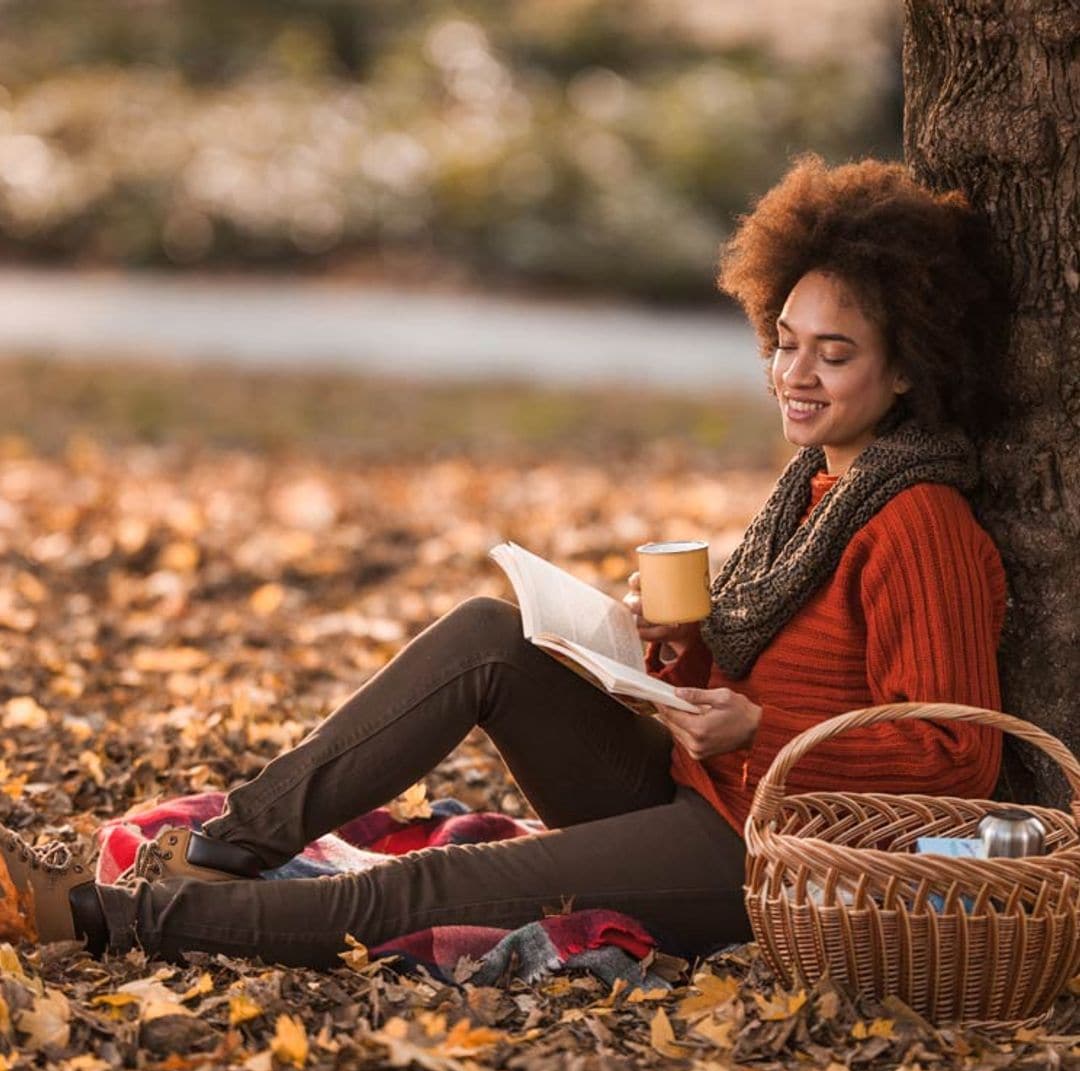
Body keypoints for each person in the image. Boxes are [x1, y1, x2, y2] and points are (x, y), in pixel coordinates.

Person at [0, 154, 1010, 967]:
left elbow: (960, 761)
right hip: (704, 789)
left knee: (428, 891)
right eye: (784, 341)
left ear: (911, 363)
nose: (794, 374)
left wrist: (760, 728)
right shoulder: (821, 485)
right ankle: (231, 847)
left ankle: (106, 917)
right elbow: (755, 692)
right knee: (489, 637)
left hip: (767, 857)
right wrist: (670, 656)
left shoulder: (920, 518)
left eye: (833, 355)